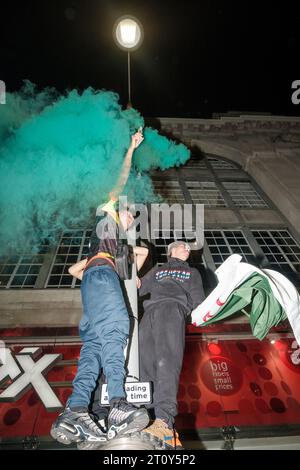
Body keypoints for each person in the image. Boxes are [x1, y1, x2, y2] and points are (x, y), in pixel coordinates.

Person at [51, 130, 150, 447]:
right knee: (118, 327)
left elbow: (74, 270)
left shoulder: (110, 241)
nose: (131, 213)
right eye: (129, 211)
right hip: (100, 277)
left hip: (96, 282)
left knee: (93, 346)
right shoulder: (107, 207)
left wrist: (110, 279)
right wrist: (131, 150)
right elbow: (120, 180)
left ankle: (77, 410)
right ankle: (118, 404)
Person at [138, 241, 205, 449]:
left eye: (188, 248)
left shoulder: (192, 272)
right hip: (149, 313)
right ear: (171, 250)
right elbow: (138, 287)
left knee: (166, 361)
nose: (188, 249)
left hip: (173, 310)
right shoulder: (158, 270)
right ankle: (149, 419)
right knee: (143, 362)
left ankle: (164, 420)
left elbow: (198, 301)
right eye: (184, 246)